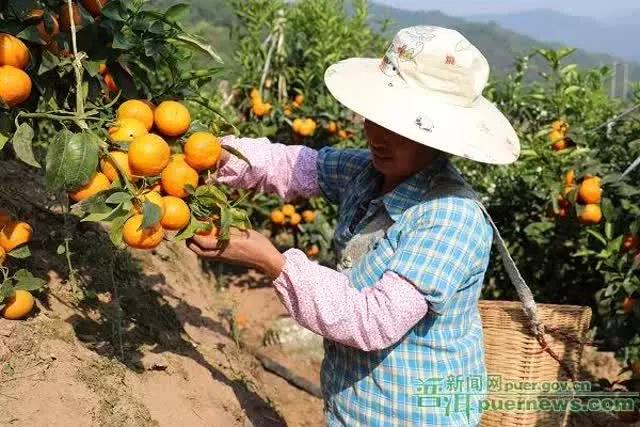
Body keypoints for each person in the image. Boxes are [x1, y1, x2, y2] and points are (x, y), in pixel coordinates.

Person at [187, 26, 520, 426]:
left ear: (439, 137)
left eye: (399, 128)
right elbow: (294, 165)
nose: (377, 136)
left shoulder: (450, 216)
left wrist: (271, 262)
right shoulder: (367, 173)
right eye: (376, 117)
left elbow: (374, 321)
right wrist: (215, 154)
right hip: (354, 405)